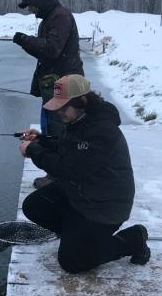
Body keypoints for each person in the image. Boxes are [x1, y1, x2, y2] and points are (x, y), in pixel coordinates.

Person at [17, 74, 150, 273]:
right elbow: (68, 149)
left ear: (82, 101)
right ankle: (78, 238)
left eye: (63, 107)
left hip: (105, 206)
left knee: (71, 262)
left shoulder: (101, 130)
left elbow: (70, 169)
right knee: (33, 206)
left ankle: (133, 239)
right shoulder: (81, 119)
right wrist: (41, 141)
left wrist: (34, 151)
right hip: (82, 194)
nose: (59, 112)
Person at [12, 0, 84, 190]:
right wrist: (27, 42)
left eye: (33, 6)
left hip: (64, 85)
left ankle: (57, 177)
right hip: (56, 85)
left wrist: (24, 39)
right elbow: (45, 51)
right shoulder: (50, 18)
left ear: (42, 2)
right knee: (51, 129)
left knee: (58, 130)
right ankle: (56, 172)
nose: (32, 11)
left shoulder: (60, 17)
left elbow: (52, 49)